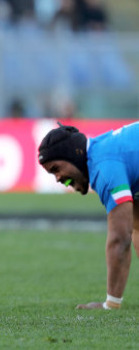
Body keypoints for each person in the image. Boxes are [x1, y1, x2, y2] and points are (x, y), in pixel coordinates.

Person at [38, 122, 139, 311]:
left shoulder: (104, 169)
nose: (58, 178)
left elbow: (119, 239)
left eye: (56, 168)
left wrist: (110, 304)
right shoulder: (104, 153)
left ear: (73, 156)